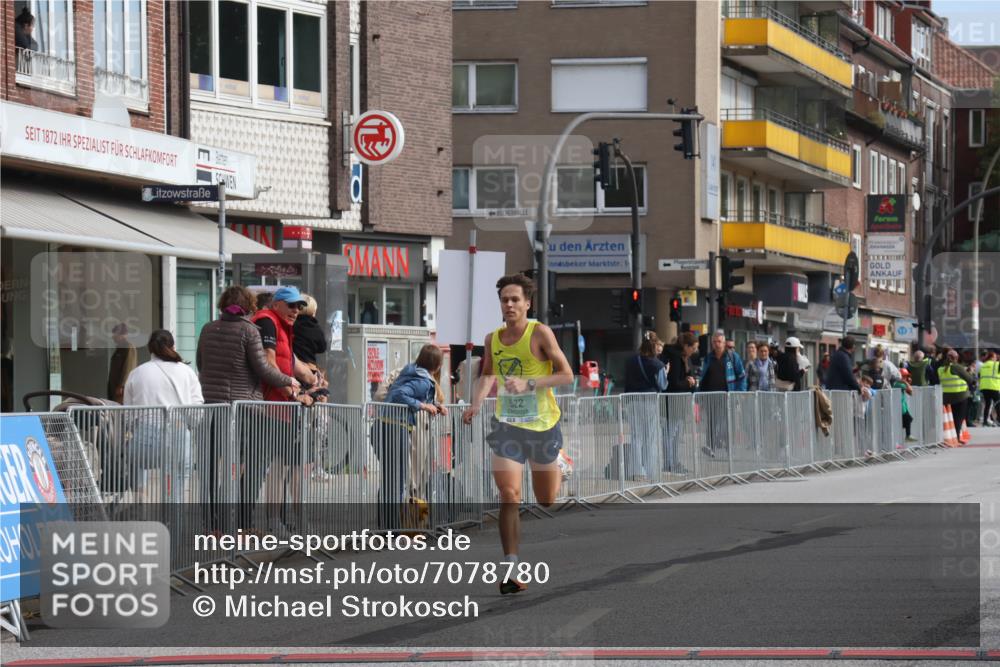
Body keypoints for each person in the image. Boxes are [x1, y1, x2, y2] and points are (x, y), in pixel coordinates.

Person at [462, 274, 573, 595]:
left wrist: (530, 383)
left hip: (541, 426)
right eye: (504, 300)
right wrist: (475, 404)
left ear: (527, 303)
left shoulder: (540, 333)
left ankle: (559, 461)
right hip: (507, 426)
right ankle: (511, 569)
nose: (508, 305)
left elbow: (566, 375)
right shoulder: (492, 339)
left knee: (546, 500)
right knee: (509, 496)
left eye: (514, 299)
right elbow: (487, 375)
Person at [197, 286, 298, 532]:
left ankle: (213, 527)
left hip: (213, 406)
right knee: (247, 466)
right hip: (244, 409)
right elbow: (263, 369)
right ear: (249, 306)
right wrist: (288, 381)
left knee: (214, 467)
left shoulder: (208, 329)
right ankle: (244, 525)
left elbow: (200, 363)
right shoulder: (249, 331)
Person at [252, 286, 318, 537]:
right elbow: (270, 361)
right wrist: (291, 391)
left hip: (284, 409)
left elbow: (290, 361)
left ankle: (290, 521)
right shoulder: (268, 322)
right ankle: (270, 522)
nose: (296, 311)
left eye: (299, 306)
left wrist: (313, 379)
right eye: (291, 305)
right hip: (271, 407)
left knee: (291, 468)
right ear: (277, 303)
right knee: (274, 470)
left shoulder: (283, 327)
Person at [124, 330, 204, 503]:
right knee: (180, 471)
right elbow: (198, 410)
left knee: (131, 455)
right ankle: (173, 514)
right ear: (173, 346)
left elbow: (128, 416)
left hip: (145, 442)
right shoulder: (187, 372)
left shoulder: (137, 373)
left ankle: (141, 498)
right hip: (179, 435)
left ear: (150, 349)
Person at [374, 344, 446, 530]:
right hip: (395, 426)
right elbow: (399, 394)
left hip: (387, 424)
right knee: (398, 482)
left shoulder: (412, 371)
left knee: (392, 481)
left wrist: (435, 405)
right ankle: (396, 530)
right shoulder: (422, 380)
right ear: (437, 365)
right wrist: (423, 406)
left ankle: (388, 528)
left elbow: (411, 393)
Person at [623, 335, 668, 481]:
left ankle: (637, 471)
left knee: (636, 436)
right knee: (650, 436)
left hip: (632, 400)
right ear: (654, 348)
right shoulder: (658, 365)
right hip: (649, 401)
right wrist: (666, 372)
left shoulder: (631, 361)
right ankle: (651, 471)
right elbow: (663, 385)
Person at [659, 332, 697, 474]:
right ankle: (670, 463)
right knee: (670, 434)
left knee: (676, 435)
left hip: (680, 402)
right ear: (686, 346)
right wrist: (688, 382)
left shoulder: (685, 358)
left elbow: (686, 377)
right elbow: (673, 383)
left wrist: (691, 381)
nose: (694, 351)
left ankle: (674, 461)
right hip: (672, 402)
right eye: (693, 348)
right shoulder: (675, 357)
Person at [293, 294, 330, 403]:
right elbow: (322, 347)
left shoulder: (292, 325)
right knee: (316, 400)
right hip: (311, 368)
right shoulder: (315, 327)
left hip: (294, 368)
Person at [940, 349, 975, 442]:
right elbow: (970, 379)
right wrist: (970, 372)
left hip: (946, 397)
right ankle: (957, 438)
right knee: (959, 418)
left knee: (951, 418)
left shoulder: (940, 369)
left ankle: (950, 436)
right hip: (960, 396)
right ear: (956, 358)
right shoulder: (957, 367)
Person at [107, 323, 137, 403]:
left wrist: (122, 385)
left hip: (121, 390)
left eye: (115, 334)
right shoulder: (119, 348)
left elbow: (129, 367)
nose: (113, 337)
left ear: (123, 335)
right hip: (115, 387)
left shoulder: (128, 347)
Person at [893, 369, 917, 443]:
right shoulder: (898, 384)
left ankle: (906, 435)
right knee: (908, 419)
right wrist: (906, 383)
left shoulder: (901, 384)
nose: (906, 378)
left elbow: (910, 393)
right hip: (900, 407)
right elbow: (910, 389)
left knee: (909, 419)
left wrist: (907, 383)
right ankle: (907, 435)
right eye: (905, 376)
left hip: (903, 406)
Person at [980, 350, 1000, 427]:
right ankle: (999, 420)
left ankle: (985, 421)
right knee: (998, 404)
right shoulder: (996, 364)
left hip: (984, 387)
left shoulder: (983, 365)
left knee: (987, 404)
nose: (996, 358)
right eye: (995, 357)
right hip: (993, 387)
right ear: (992, 357)